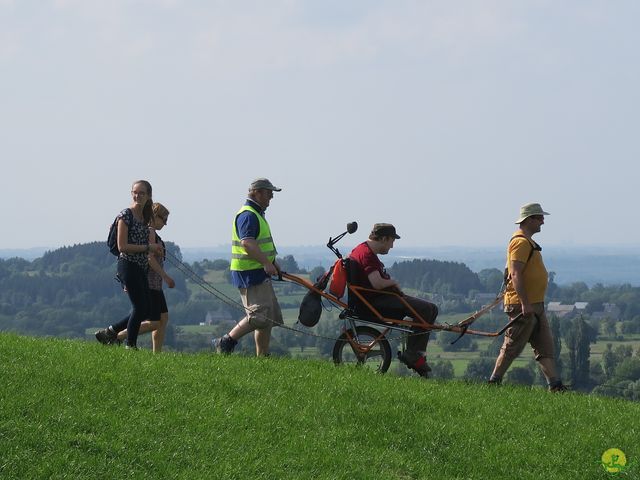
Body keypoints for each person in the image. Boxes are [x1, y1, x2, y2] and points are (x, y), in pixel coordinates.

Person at [488, 203, 566, 392]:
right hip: (523, 305)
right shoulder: (520, 242)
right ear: (529, 220)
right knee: (512, 346)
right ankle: (493, 382)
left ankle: (555, 386)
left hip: (535, 306)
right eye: (539, 217)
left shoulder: (527, 242)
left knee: (545, 347)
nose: (543, 221)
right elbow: (515, 273)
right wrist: (524, 303)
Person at [348, 223, 438, 377]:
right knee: (427, 309)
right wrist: (393, 283)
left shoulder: (362, 249)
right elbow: (377, 283)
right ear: (383, 238)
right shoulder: (367, 255)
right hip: (376, 302)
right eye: (391, 241)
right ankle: (413, 354)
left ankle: (416, 353)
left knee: (432, 309)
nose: (392, 246)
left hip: (376, 299)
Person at [213, 178, 284, 356]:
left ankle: (263, 356)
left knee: (267, 318)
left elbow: (260, 244)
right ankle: (226, 341)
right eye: (269, 193)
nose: (271, 197)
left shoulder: (256, 213)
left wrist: (272, 262)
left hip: (257, 270)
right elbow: (248, 244)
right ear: (257, 192)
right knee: (259, 316)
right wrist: (267, 263)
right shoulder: (248, 215)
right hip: (249, 272)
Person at [95, 180, 162, 349]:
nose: (137, 196)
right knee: (140, 307)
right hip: (128, 265)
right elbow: (122, 246)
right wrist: (149, 247)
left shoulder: (144, 216)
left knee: (145, 310)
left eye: (141, 193)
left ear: (149, 196)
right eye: (135, 192)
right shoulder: (126, 215)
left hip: (140, 267)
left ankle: (110, 332)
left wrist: (154, 249)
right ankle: (130, 345)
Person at [113, 203, 175, 352]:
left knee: (163, 318)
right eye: (164, 220)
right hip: (150, 282)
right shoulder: (150, 231)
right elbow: (149, 258)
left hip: (155, 283)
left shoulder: (149, 231)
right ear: (155, 216)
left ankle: (156, 354)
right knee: (154, 321)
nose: (165, 224)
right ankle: (118, 336)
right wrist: (166, 277)